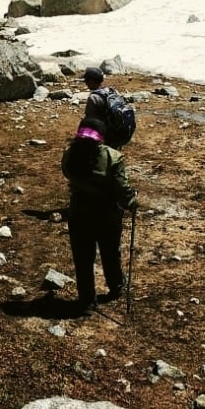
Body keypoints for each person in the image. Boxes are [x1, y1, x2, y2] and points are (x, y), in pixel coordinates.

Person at [60, 117, 138, 315]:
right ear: (102, 137)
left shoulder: (70, 153)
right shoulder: (113, 157)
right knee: (110, 252)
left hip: (79, 211)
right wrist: (132, 201)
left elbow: (67, 174)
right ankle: (116, 286)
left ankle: (87, 301)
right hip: (106, 213)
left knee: (83, 258)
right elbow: (122, 188)